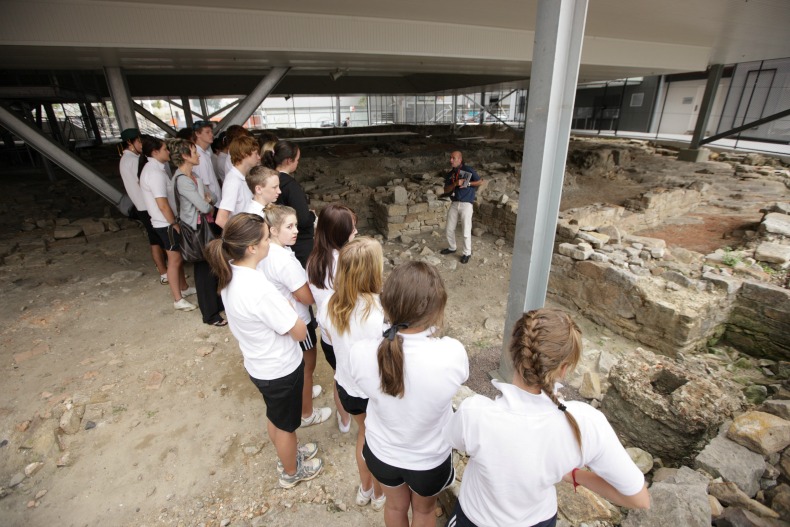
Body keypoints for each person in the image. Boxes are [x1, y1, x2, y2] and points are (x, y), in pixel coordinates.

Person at [443, 309, 650, 527]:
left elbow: (452, 439)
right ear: (563, 369)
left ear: (512, 353)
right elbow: (639, 499)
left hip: (475, 518)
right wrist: (575, 476)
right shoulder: (585, 422)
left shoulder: (474, 413)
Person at [205, 213, 323, 488]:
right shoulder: (257, 288)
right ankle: (292, 471)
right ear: (252, 248)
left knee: (276, 415)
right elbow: (299, 332)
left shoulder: (232, 271)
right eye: (266, 238)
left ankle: (289, 453)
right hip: (279, 368)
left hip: (259, 363)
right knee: (286, 426)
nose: (270, 241)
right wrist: (289, 310)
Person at [349, 261, 468, 527]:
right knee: (424, 512)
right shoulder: (451, 355)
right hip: (428, 459)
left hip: (382, 453)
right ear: (436, 309)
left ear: (386, 303)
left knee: (394, 507)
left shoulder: (361, 353)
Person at [319, 237, 387, 511]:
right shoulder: (381, 312)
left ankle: (365, 488)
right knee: (378, 444)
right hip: (375, 392)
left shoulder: (328, 305)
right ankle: (380, 493)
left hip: (347, 386)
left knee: (362, 435)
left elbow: (328, 341)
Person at [260, 205, 329, 427]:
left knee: (300, 364)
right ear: (272, 230)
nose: (296, 231)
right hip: (298, 319)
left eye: (296, 225)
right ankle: (307, 413)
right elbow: (307, 297)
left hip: (281, 318)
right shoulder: (285, 261)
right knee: (308, 365)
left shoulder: (268, 251)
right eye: (289, 226)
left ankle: (304, 393)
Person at [306, 204, 358, 433]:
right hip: (350, 333)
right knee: (356, 375)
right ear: (339, 233)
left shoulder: (313, 260)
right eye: (352, 228)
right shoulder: (345, 263)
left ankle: (344, 418)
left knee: (340, 376)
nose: (356, 231)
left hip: (328, 335)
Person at [169, 139, 226, 326]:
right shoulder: (183, 181)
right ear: (185, 156)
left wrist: (207, 201)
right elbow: (204, 205)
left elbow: (214, 197)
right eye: (194, 152)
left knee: (212, 269)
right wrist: (207, 202)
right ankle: (210, 315)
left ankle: (216, 305)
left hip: (204, 229)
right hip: (196, 232)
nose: (198, 155)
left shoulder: (194, 177)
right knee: (204, 274)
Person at [138, 136, 197, 312]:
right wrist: (174, 223)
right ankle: (177, 299)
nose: (169, 152)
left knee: (177, 257)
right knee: (175, 260)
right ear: (155, 152)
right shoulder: (154, 173)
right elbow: (162, 204)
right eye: (165, 149)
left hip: (164, 222)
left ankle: (184, 288)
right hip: (165, 223)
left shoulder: (155, 169)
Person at [118, 128, 168, 285]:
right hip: (146, 206)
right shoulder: (133, 161)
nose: (142, 144)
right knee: (159, 240)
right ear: (129, 142)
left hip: (142, 206)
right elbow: (142, 182)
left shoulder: (126, 159)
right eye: (139, 141)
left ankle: (164, 272)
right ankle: (165, 272)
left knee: (155, 239)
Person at [264, 140, 315, 268]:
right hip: (299, 243)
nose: (298, 162)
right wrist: (312, 216)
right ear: (288, 161)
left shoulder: (268, 179)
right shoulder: (290, 186)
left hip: (277, 237)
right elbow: (303, 219)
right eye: (297, 160)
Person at [440, 151, 482, 264]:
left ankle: (467, 253)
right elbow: (446, 190)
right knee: (449, 228)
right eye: (450, 158)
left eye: (453, 158)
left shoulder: (468, 170)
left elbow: (479, 182)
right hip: (454, 203)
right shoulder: (450, 174)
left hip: (466, 204)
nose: (451, 160)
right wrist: (455, 184)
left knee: (466, 230)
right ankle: (452, 247)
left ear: (460, 159)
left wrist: (467, 183)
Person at [215, 135, 259, 229]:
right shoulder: (233, 181)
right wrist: (240, 238)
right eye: (256, 153)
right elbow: (221, 219)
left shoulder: (242, 177)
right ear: (244, 154)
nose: (258, 157)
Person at [192, 120, 222, 202]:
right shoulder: (199, 156)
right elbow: (204, 186)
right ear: (197, 134)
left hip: (215, 200)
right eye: (207, 132)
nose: (211, 135)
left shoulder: (204, 153)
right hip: (212, 202)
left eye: (211, 132)